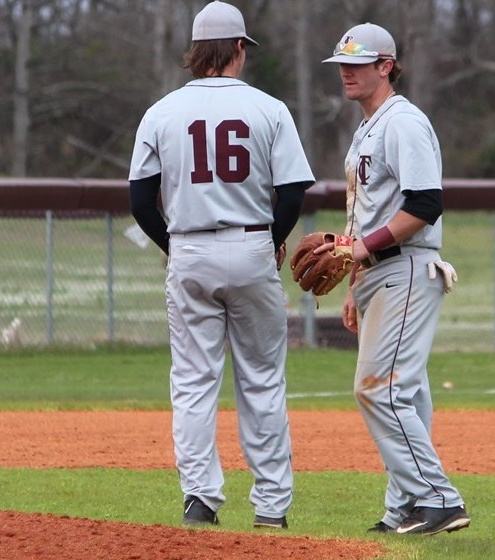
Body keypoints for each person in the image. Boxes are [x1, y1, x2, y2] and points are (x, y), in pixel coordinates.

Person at [128, 0, 315, 530]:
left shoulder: (161, 112)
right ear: (238, 48)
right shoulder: (269, 108)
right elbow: (294, 192)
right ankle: (272, 509)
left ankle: (201, 499)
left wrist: (172, 244)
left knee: (192, 382)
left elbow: (141, 200)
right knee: (261, 381)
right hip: (252, 244)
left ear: (194, 51)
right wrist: (272, 243)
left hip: (189, 247)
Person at [320, 22, 470, 536]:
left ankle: (439, 499)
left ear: (386, 66)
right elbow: (369, 211)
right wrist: (353, 276)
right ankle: (404, 508)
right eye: (342, 64)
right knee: (407, 394)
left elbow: (425, 204)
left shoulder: (403, 122)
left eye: (358, 64)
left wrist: (360, 249)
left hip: (406, 266)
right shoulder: (368, 126)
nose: (347, 72)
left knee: (378, 389)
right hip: (380, 273)